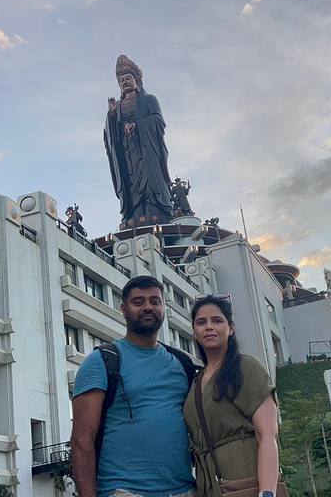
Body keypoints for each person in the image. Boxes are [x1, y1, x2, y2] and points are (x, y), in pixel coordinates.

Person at [71, 276, 196, 497]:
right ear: (124, 308)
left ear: (163, 307)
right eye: (138, 302)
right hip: (125, 491)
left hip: (185, 490)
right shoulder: (102, 361)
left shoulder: (181, 363)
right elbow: (82, 441)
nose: (148, 307)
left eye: (155, 301)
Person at [183, 295, 280, 497]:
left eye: (217, 320)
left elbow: (268, 434)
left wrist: (267, 492)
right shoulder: (195, 381)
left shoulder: (245, 367)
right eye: (201, 322)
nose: (208, 327)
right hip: (208, 485)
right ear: (194, 331)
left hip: (246, 480)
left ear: (231, 328)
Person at [104, 55, 174, 229]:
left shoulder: (149, 99)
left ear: (137, 80)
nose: (125, 82)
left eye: (128, 78)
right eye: (121, 80)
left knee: (151, 181)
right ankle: (134, 215)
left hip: (147, 151)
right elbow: (110, 136)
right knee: (131, 184)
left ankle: (156, 212)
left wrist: (138, 125)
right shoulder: (118, 106)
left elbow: (158, 122)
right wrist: (112, 115)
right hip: (128, 154)